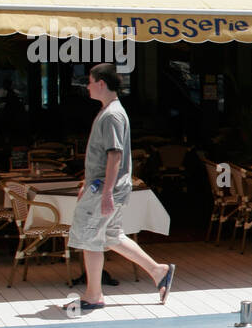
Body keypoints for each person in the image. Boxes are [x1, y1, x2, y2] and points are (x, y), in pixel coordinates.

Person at [69, 62, 175, 310]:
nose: (87, 86)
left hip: (106, 188)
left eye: (90, 81)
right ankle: (158, 271)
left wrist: (105, 192)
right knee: (110, 235)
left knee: (89, 238)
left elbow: (114, 155)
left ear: (101, 84)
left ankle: (93, 295)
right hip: (105, 186)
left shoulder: (112, 115)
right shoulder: (112, 112)